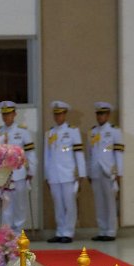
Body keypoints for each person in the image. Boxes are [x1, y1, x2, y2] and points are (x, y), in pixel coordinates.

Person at [44, 100, 86, 243]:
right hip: (54, 174)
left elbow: (79, 153)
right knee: (58, 204)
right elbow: (47, 156)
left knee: (69, 204)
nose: (58, 117)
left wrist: (81, 173)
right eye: (56, 114)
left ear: (65, 114)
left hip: (68, 174)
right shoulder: (49, 133)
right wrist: (46, 175)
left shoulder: (73, 131)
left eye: (60, 114)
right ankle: (60, 231)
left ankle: (68, 232)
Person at [0, 101, 37, 234]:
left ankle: (18, 232)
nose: (6, 117)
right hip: (3, 175)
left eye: (9, 114)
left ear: (14, 114)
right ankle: (7, 233)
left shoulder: (23, 131)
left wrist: (31, 170)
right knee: (6, 205)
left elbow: (30, 153)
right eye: (4, 114)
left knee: (20, 204)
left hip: (19, 173)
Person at [89, 102, 124, 241]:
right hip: (96, 170)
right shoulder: (93, 132)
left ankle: (110, 231)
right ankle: (102, 230)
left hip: (109, 171)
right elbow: (90, 153)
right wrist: (89, 171)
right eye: (98, 114)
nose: (100, 116)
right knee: (99, 202)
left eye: (102, 114)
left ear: (108, 115)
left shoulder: (115, 131)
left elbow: (119, 153)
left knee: (110, 202)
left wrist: (119, 172)